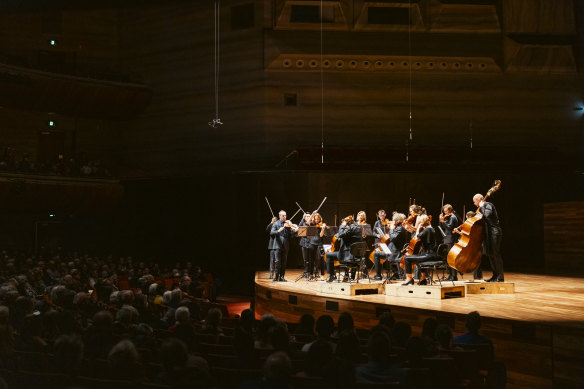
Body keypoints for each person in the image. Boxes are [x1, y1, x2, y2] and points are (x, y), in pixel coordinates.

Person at [473, 193, 504, 282]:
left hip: (495, 232)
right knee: (490, 254)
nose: (474, 203)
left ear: (479, 200)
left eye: (474, 201)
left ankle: (500, 277)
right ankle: (495, 276)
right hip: (488, 234)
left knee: (495, 254)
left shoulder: (488, 205)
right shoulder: (482, 208)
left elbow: (487, 215)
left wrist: (482, 207)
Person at [325, 215, 364, 282]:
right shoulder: (359, 228)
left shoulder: (349, 228)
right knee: (343, 250)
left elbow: (340, 235)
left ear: (347, 223)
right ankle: (347, 275)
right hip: (357, 255)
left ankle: (332, 276)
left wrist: (342, 226)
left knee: (328, 255)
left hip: (347, 256)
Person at [402, 214, 437, 286]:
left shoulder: (427, 230)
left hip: (428, 255)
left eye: (421, 222)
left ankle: (409, 279)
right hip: (432, 254)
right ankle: (423, 279)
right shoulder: (431, 229)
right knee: (419, 257)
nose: (419, 223)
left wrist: (417, 229)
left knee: (407, 258)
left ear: (424, 222)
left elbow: (417, 237)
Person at [372, 213, 408, 280]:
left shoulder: (400, 228)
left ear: (396, 221)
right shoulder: (399, 228)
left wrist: (391, 229)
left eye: (393, 220)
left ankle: (378, 276)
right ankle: (396, 273)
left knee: (376, 254)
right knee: (379, 251)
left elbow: (392, 238)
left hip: (394, 252)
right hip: (392, 250)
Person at [270, 210, 298, 282]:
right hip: (277, 245)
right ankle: (276, 277)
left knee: (284, 262)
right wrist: (278, 231)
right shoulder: (276, 224)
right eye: (283, 216)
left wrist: (295, 231)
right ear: (279, 216)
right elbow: (272, 232)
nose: (284, 217)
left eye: (285, 215)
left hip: (285, 245)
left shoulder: (288, 224)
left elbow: (291, 235)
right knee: (277, 261)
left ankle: (282, 277)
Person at [439, 204, 460, 281]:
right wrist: (441, 220)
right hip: (447, 239)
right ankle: (450, 275)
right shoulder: (448, 217)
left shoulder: (453, 217)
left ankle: (454, 276)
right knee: (447, 258)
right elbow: (442, 226)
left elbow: (450, 227)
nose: (445, 213)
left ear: (450, 210)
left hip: (451, 239)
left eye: (446, 211)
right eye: (444, 211)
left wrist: (443, 222)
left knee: (451, 258)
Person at [308, 212, 326, 279]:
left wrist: (323, 229)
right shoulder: (312, 224)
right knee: (312, 259)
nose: (316, 221)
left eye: (318, 219)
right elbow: (308, 222)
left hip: (320, 243)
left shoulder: (322, 225)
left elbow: (321, 235)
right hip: (312, 242)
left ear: (320, 219)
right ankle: (311, 274)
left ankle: (322, 275)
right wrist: (312, 214)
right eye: (315, 219)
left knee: (321, 259)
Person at [298, 213, 313, 280]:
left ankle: (310, 272)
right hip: (303, 243)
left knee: (310, 258)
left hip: (311, 243)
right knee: (305, 259)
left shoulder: (312, 224)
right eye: (306, 216)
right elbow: (299, 227)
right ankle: (306, 271)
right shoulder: (303, 223)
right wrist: (302, 218)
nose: (307, 217)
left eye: (309, 216)